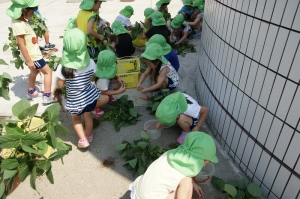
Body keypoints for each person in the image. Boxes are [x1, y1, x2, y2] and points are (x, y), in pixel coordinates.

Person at [54, 28, 109, 148]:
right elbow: (91, 78)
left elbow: (60, 85)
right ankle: (89, 135)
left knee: (76, 119)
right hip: (89, 97)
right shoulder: (90, 62)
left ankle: (83, 140)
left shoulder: (62, 67)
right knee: (88, 116)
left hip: (74, 100)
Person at [129, 131, 218, 199]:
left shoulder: (170, 154)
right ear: (198, 161)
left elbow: (180, 174)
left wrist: (193, 183)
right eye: (206, 163)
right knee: (187, 186)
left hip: (138, 192)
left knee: (188, 183)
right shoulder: (185, 179)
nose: (205, 165)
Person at [6, 0, 56, 104]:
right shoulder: (19, 25)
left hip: (33, 54)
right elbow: (21, 44)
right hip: (33, 57)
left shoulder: (21, 21)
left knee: (35, 71)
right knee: (48, 72)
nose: (34, 12)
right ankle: (47, 96)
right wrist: (29, 60)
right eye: (33, 10)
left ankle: (31, 92)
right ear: (23, 10)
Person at [93, 49, 126, 117]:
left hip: (100, 87)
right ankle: (94, 107)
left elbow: (111, 74)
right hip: (96, 92)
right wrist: (118, 91)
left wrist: (117, 78)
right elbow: (103, 92)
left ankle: (109, 94)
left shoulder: (101, 65)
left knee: (118, 83)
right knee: (105, 98)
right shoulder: (102, 79)